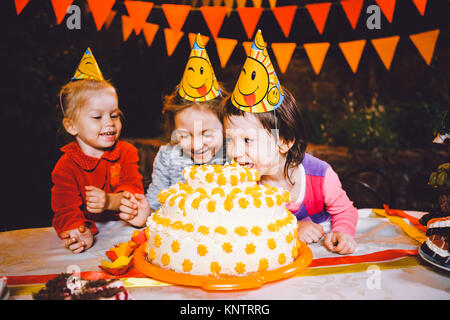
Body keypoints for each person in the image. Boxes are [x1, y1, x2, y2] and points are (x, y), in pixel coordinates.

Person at [222, 30, 358, 255]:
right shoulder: (241, 185)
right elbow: (241, 229)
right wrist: (291, 228)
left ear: (284, 141)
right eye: (230, 140)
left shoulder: (321, 176)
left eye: (247, 140)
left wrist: (342, 232)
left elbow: (345, 211)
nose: (235, 152)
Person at [119, 34, 229, 217]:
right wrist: (143, 213)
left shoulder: (234, 156)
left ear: (225, 127)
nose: (196, 145)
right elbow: (154, 205)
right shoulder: (167, 157)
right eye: (184, 135)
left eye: (206, 133)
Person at [51, 48, 147, 254]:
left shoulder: (127, 152)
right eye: (97, 117)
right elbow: (65, 210)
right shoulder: (65, 166)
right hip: (92, 243)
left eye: (114, 115)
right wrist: (77, 231)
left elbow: (134, 193)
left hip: (125, 235)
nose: (109, 123)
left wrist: (109, 201)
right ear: (71, 126)